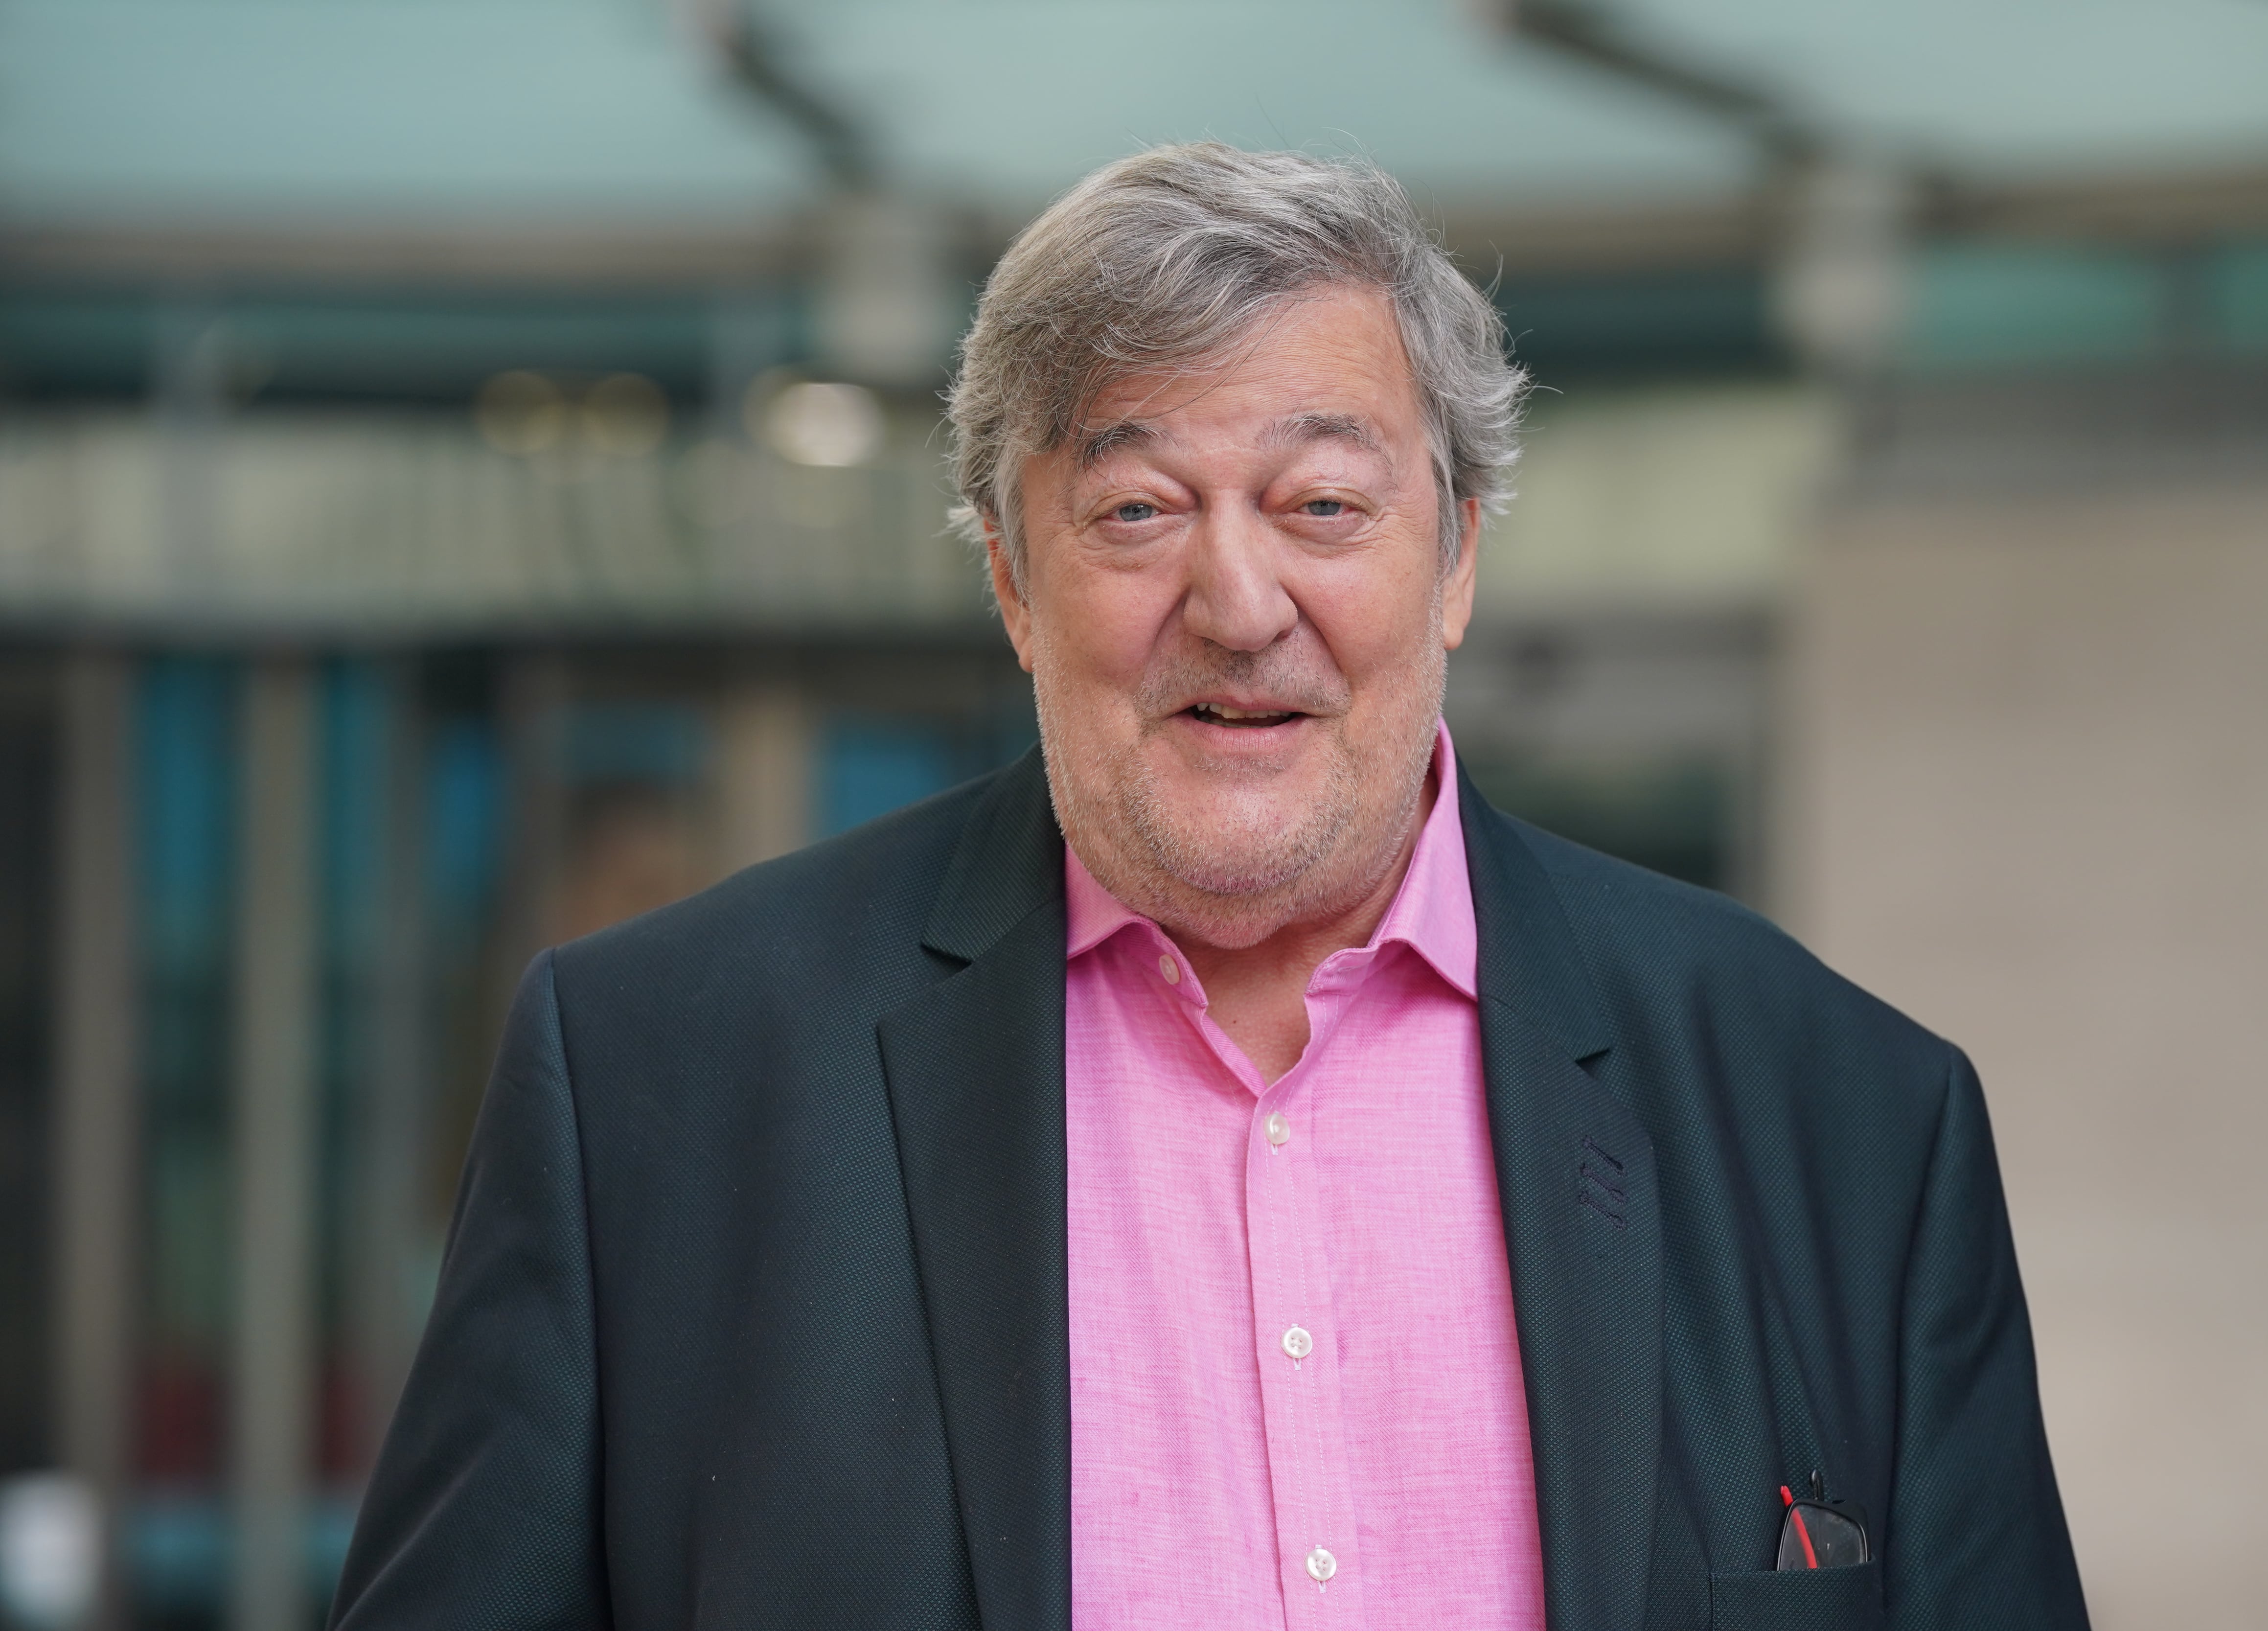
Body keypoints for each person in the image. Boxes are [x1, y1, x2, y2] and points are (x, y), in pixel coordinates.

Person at [331, 143, 2087, 1631]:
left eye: (1323, 504)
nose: (1239, 602)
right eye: (1140, 510)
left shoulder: (1851, 1116)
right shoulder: (654, 1081)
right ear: (1013, 577)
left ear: (1458, 556)